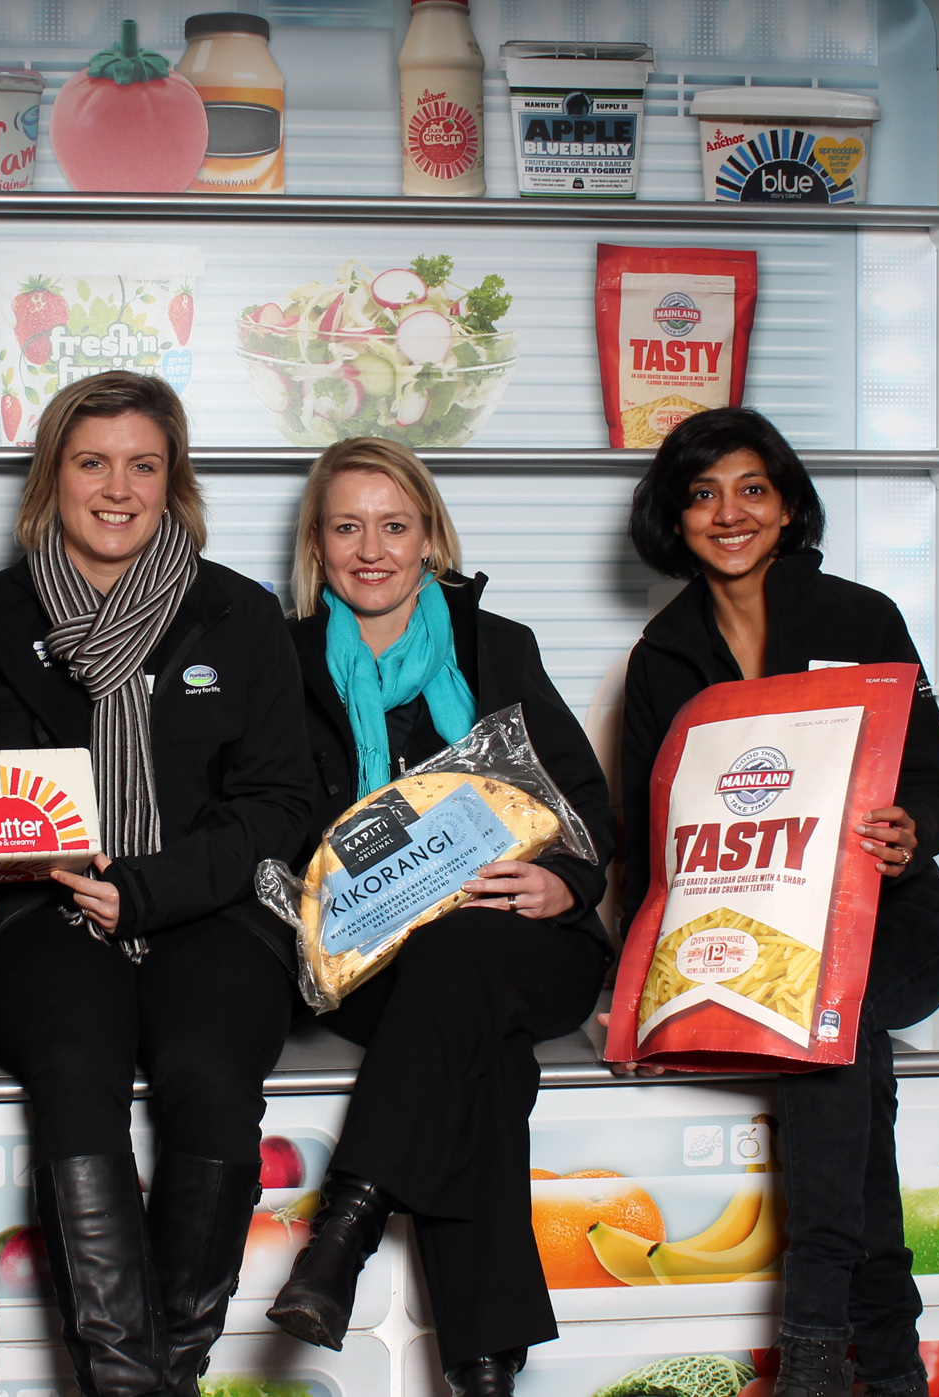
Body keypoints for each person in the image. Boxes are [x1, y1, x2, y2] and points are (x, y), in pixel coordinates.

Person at [0, 372, 313, 1397]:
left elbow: (281, 801)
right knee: (70, 1062)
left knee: (211, 1071)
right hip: (39, 913)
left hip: (210, 909)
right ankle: (123, 1379)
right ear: (51, 475)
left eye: (142, 464)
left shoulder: (238, 613)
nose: (117, 487)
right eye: (90, 461)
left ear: (171, 480)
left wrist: (150, 887)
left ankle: (168, 1373)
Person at [613, 408, 939, 1397]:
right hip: (754, 942)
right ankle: (880, 1366)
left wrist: (909, 832)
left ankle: (809, 1334)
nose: (726, 512)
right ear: (672, 518)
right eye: (699, 492)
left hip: (896, 924)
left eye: (750, 488)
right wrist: (634, 977)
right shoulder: (662, 654)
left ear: (787, 505)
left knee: (832, 1008)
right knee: (836, 1029)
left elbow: (931, 777)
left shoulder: (859, 617)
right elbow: (652, 843)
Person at [265, 438, 614, 1397]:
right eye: (346, 527)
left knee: (467, 955)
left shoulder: (496, 643)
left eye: (393, 525)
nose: (370, 548)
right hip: (368, 964)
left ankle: (345, 1227)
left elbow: (585, 801)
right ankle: (485, 1369)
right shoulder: (280, 660)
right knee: (484, 1057)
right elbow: (260, 819)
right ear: (318, 543)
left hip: (526, 939)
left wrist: (568, 886)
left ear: (430, 537)